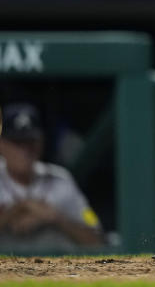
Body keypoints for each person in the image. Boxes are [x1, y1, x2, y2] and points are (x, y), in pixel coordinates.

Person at [0, 103, 102, 251]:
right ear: (2, 144)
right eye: (17, 142)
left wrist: (57, 218)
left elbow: (97, 238)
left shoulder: (61, 180)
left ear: (41, 142)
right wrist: (15, 211)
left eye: (30, 142)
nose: (25, 151)